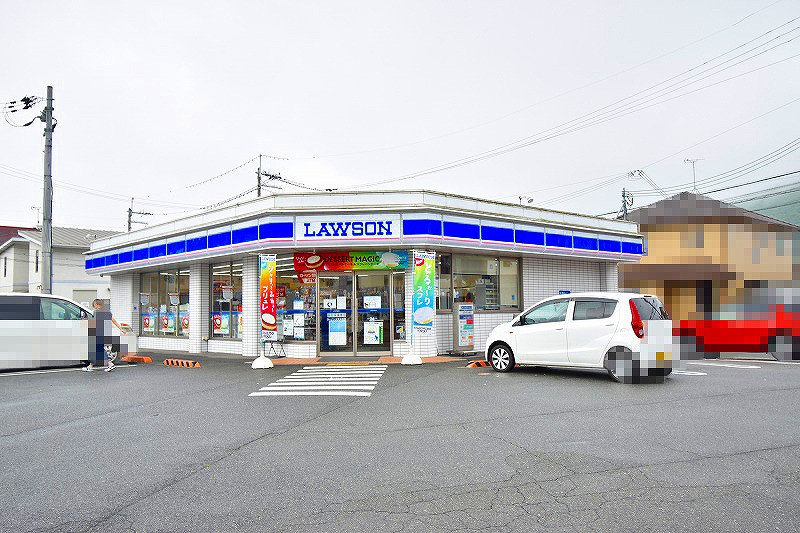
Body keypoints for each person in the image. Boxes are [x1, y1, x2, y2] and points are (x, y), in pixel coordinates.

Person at [83, 298, 126, 372]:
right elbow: (114, 321)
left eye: (94, 305)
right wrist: (120, 329)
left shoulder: (96, 312)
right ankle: (90, 366)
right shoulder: (107, 312)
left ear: (96, 304)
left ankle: (110, 364)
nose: (94, 306)